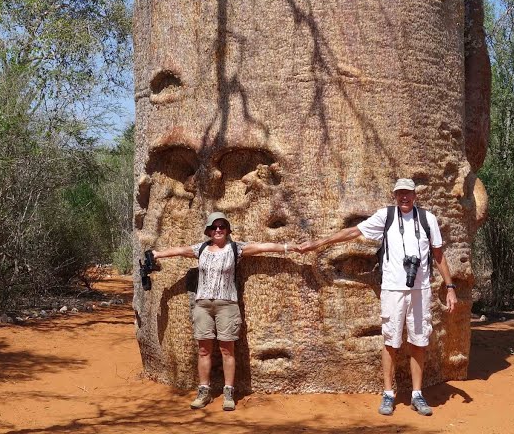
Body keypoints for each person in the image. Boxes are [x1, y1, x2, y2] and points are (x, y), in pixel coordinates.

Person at [298, 178, 458, 417]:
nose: (404, 197)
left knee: (419, 341)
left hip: (420, 290)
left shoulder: (427, 219)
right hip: (393, 289)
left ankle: (417, 394)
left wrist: (450, 287)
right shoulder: (386, 216)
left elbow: (438, 255)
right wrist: (319, 243)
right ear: (395, 196)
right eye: (399, 194)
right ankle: (388, 393)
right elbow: (353, 231)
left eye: (408, 193)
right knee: (391, 342)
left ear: (415, 195)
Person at [148, 211, 297, 411]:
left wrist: (288, 247)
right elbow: (179, 250)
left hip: (227, 304)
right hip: (203, 305)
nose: (218, 230)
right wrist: (157, 254)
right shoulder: (200, 248)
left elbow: (262, 247)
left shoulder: (235, 248)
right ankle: (203, 391)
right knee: (203, 350)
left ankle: (228, 392)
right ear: (209, 231)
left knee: (227, 350)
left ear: (227, 230)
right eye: (214, 227)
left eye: (222, 227)